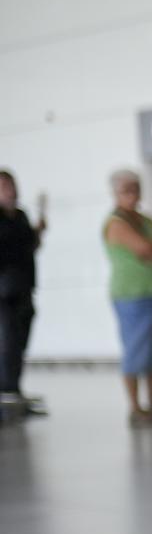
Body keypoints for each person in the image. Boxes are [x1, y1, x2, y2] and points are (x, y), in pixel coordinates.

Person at [103, 169, 152, 425]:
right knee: (135, 350)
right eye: (126, 189)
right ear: (115, 193)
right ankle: (136, 408)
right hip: (130, 296)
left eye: (136, 188)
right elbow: (145, 248)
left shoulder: (146, 221)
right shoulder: (116, 224)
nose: (133, 194)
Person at [0, 169, 47, 416]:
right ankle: (6, 393)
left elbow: (29, 248)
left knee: (19, 343)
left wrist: (38, 233)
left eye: (11, 185)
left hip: (24, 287)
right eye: (4, 186)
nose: (10, 190)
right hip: (3, 293)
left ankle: (14, 391)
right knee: (6, 343)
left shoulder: (20, 215)